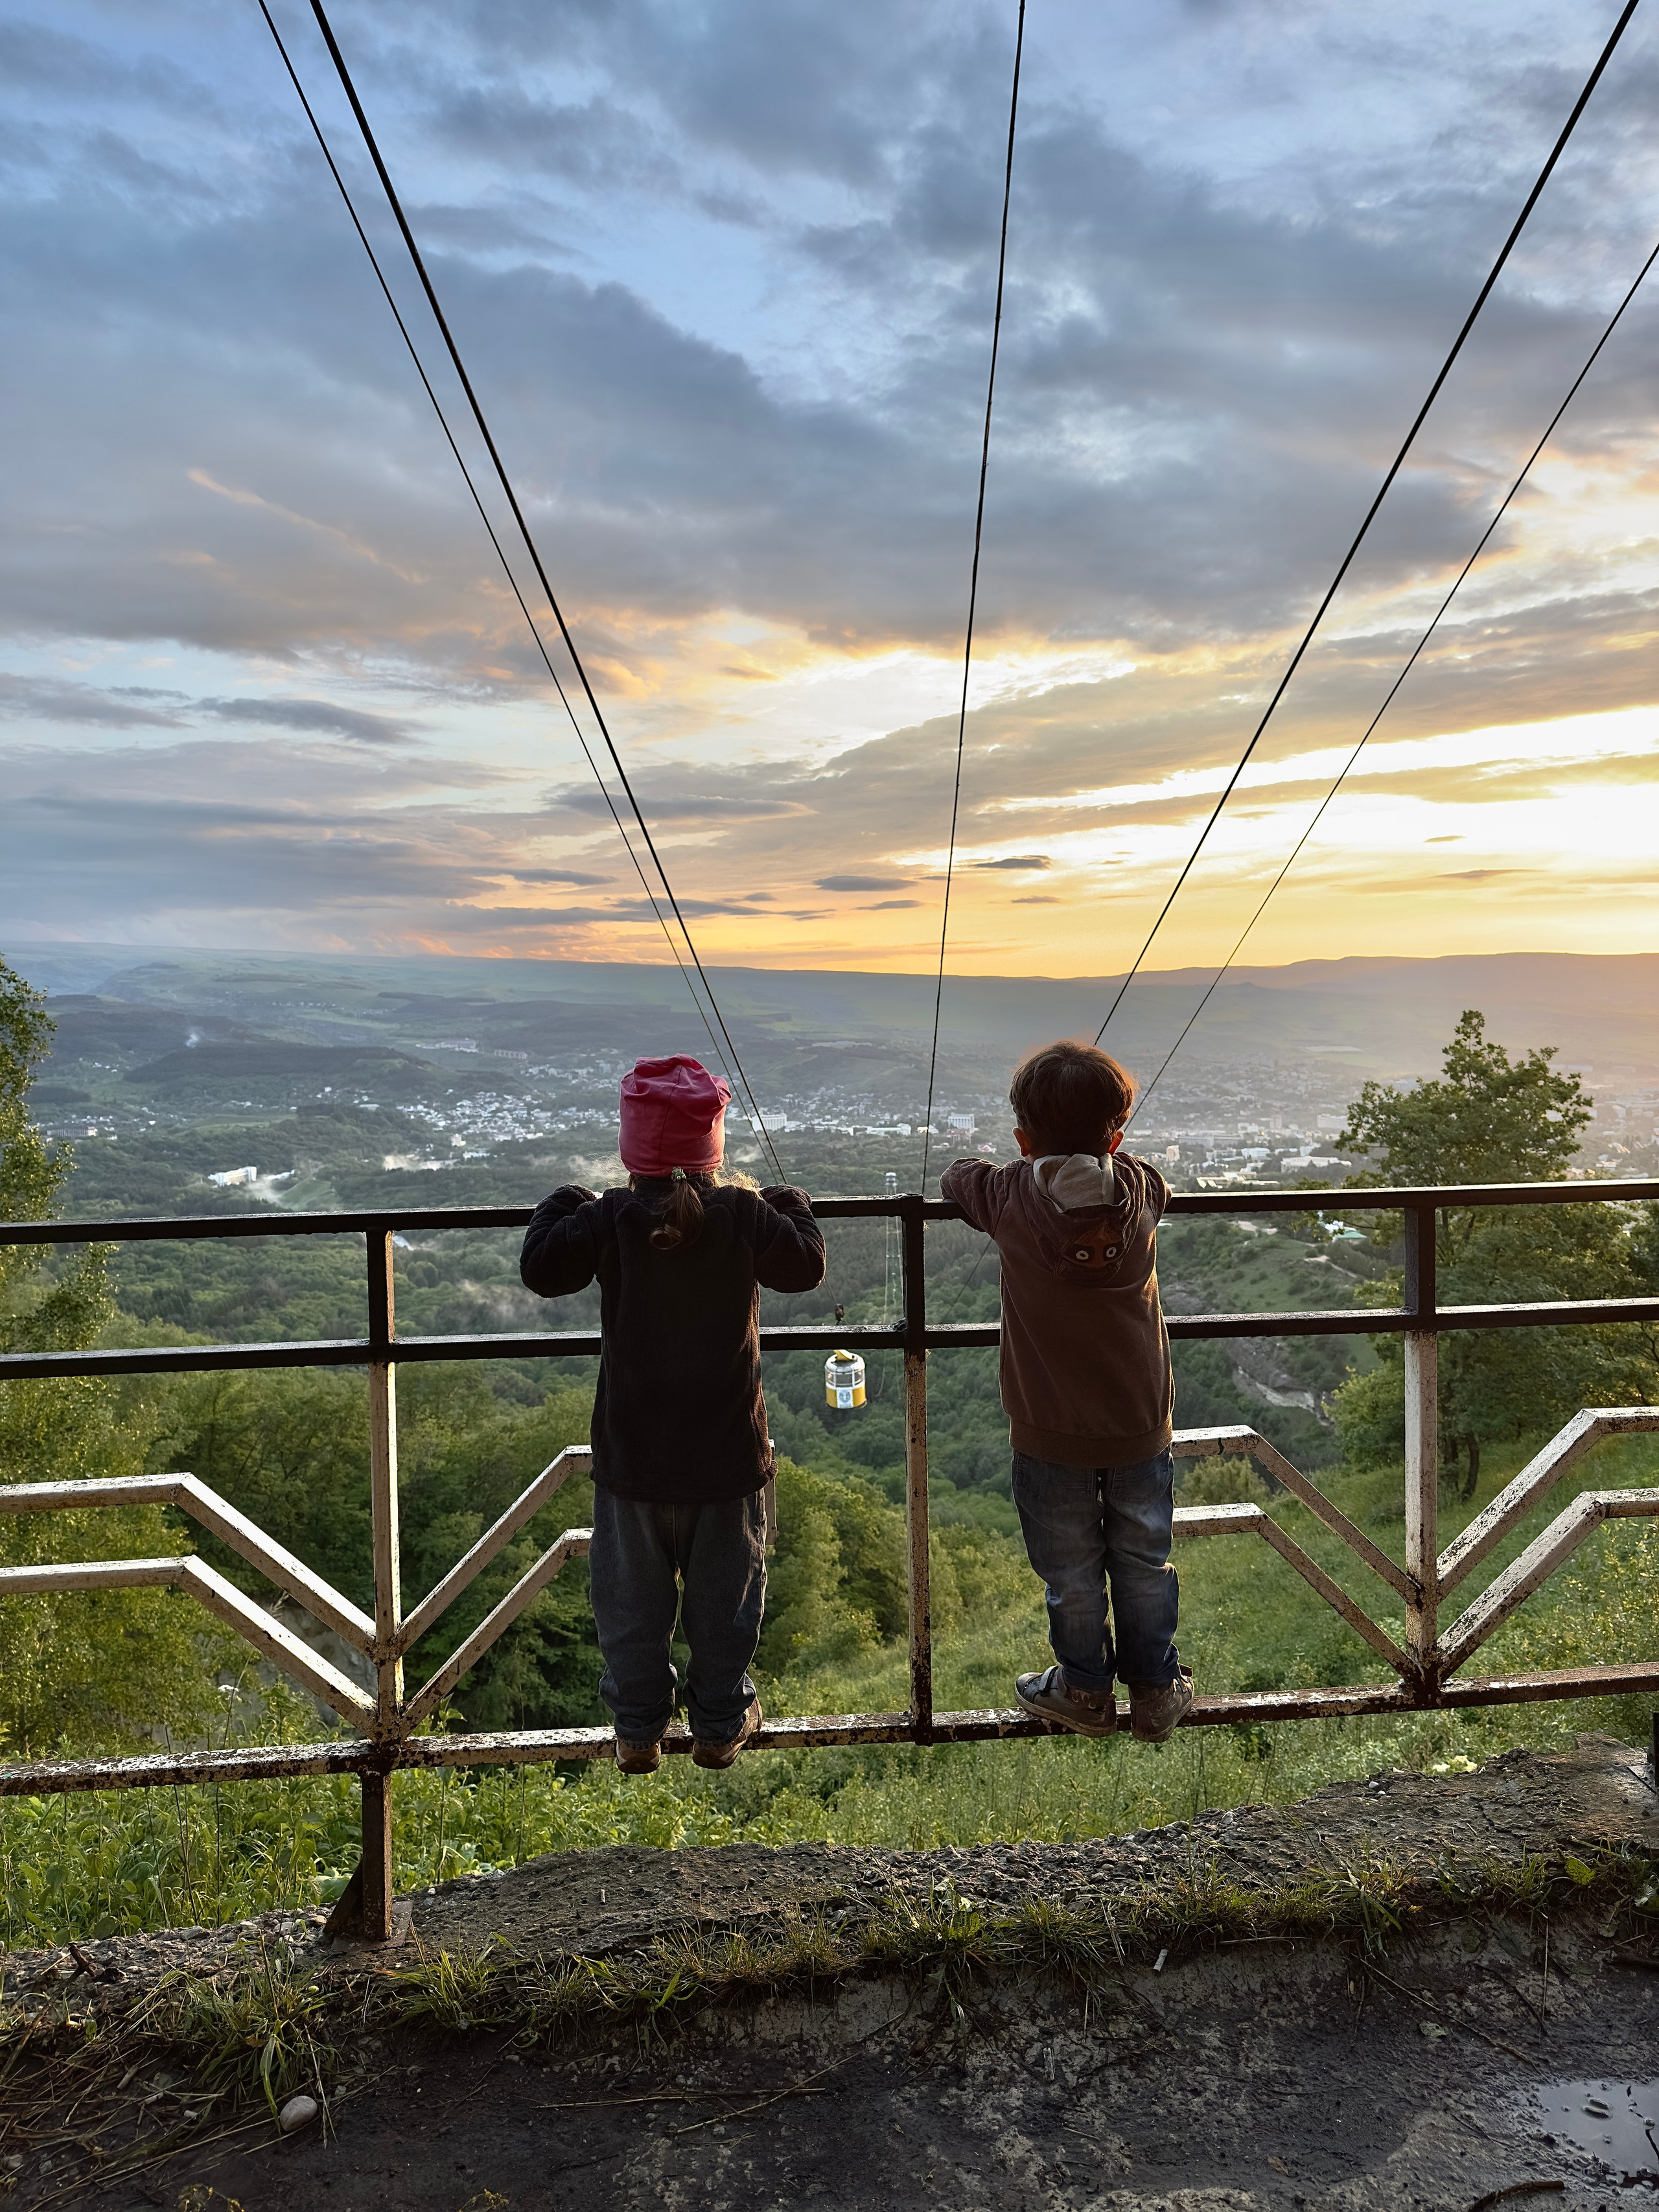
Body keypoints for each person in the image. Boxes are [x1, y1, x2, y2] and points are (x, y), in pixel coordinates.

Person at [520, 1055, 824, 1774]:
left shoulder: (610, 1219)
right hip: (724, 1455)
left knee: (631, 1602)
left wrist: (568, 1196)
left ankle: (637, 1729)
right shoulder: (745, 1216)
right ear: (712, 1150)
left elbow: (540, 1267)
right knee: (726, 1598)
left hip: (634, 1458)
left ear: (634, 1152)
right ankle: (719, 1721)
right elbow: (805, 1263)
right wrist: (790, 1197)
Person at [940, 1039, 1192, 1744]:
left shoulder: (1009, 1197)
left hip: (1047, 1425)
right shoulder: (1140, 1189)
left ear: (1022, 1139)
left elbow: (958, 1177)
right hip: (1141, 1419)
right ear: (1115, 1135)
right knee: (1144, 1557)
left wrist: (1003, 1162)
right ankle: (1154, 1686)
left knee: (1070, 1571)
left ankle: (1083, 1687)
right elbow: (1153, 1181)